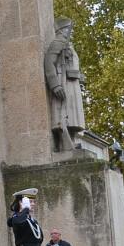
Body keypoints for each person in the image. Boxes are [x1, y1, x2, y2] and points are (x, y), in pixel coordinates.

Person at [43, 17, 85, 151]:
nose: (70, 32)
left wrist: (81, 78)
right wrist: (55, 84)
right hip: (64, 83)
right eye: (68, 29)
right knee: (64, 114)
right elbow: (49, 62)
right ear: (61, 30)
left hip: (73, 83)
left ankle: (71, 141)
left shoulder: (69, 45)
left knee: (72, 116)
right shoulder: (58, 42)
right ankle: (63, 143)